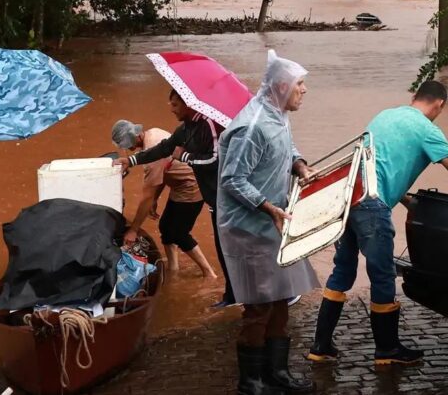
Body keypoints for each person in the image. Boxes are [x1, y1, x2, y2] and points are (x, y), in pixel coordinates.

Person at [307, 80, 448, 366]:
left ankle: (320, 345)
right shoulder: (428, 130)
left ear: (414, 96)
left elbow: (376, 165)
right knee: (383, 274)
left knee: (343, 270)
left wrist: (403, 199)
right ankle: (387, 350)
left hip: (350, 198)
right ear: (439, 105)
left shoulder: (384, 116)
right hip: (373, 207)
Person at [217, 50, 319, 395]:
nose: (304, 90)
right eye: (299, 84)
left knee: (281, 297)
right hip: (249, 227)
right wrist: (268, 208)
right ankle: (251, 382)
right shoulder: (252, 125)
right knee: (259, 304)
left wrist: (300, 166)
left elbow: (286, 148)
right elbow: (232, 179)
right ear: (281, 86)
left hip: (274, 222)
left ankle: (277, 373)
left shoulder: (277, 115)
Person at [114, 89, 238, 307]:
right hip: (198, 191)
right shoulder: (180, 130)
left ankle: (215, 279)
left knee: (179, 232)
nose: (170, 109)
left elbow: (213, 161)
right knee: (169, 229)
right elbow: (165, 151)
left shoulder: (206, 127)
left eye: (174, 105)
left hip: (200, 191)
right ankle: (177, 273)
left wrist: (133, 229)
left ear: (188, 105)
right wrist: (132, 161)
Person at [111, 120, 218, 278]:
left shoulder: (152, 155)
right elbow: (165, 172)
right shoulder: (153, 132)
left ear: (136, 137)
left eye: (127, 145)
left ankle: (208, 272)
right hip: (181, 185)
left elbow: (146, 196)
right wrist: (156, 198)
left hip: (191, 187)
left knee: (179, 233)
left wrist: (133, 230)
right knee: (166, 228)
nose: (128, 149)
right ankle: (173, 269)